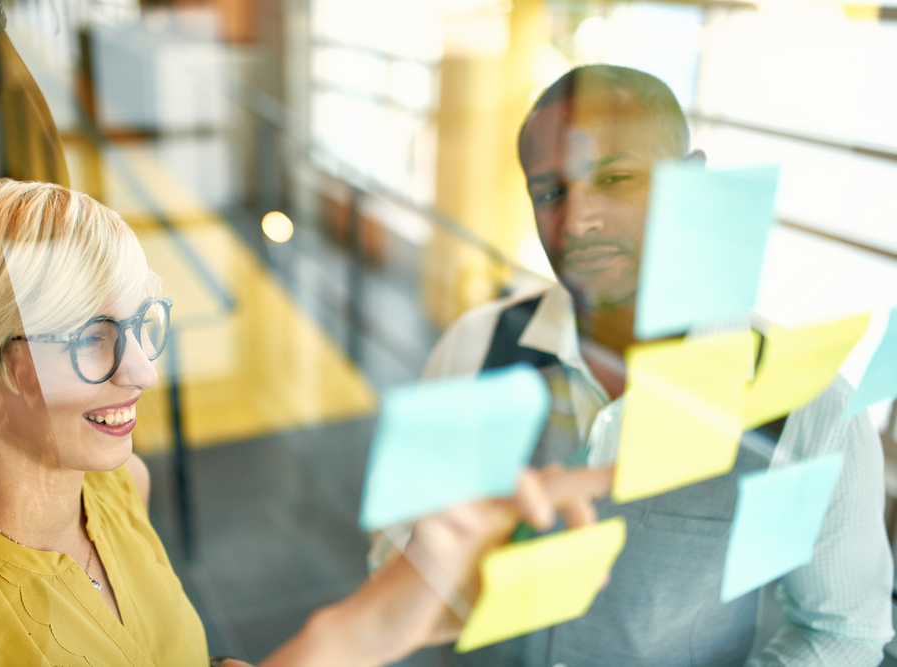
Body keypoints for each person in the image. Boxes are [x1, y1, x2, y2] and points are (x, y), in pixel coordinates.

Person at [0, 179, 614, 666]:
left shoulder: (119, 486)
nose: (142, 371)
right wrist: (350, 633)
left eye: (141, 323)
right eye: (87, 338)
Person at [370, 65, 894, 666]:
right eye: (550, 192)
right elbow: (395, 536)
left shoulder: (810, 409)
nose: (577, 221)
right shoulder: (473, 346)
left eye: (615, 177)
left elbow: (842, 630)